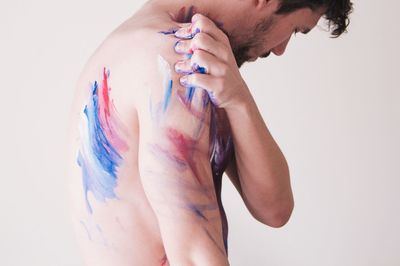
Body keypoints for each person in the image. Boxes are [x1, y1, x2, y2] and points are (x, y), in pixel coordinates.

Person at [66, 0, 353, 265]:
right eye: (295, 29)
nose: (280, 49)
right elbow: (193, 253)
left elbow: (275, 209)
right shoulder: (173, 57)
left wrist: (238, 99)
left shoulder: (155, 45)